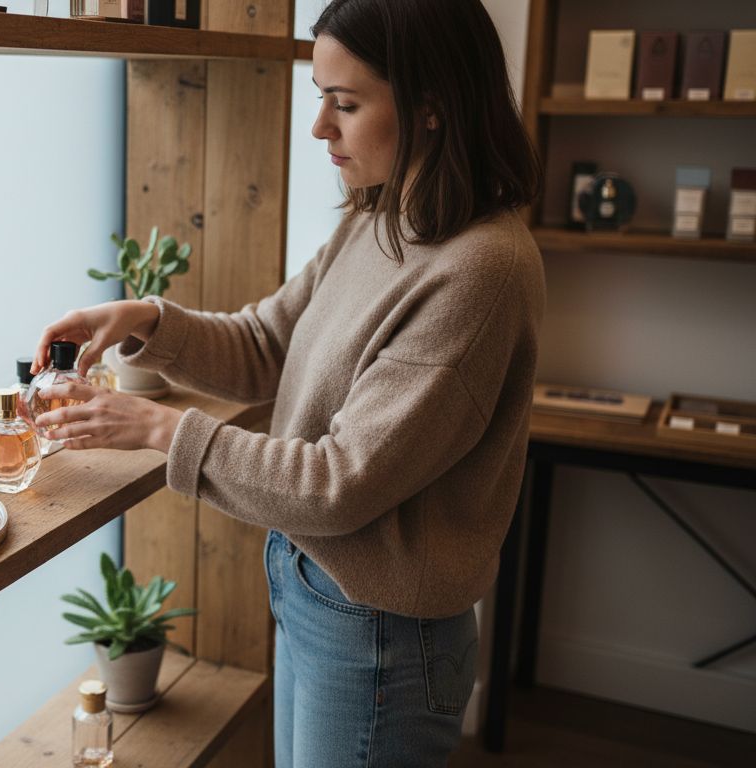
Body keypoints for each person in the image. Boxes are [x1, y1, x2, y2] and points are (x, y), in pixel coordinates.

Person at [31, 0, 543, 764]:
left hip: (382, 636)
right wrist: (145, 319)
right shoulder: (379, 218)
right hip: (315, 592)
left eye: (345, 104)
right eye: (320, 100)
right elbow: (271, 341)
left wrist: (155, 429)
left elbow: (340, 482)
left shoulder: (479, 273)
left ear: (433, 108)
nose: (320, 129)